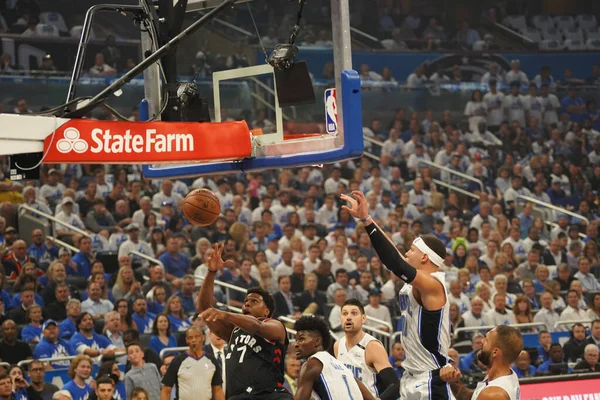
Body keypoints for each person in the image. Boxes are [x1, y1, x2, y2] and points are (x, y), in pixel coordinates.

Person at [341, 190, 451, 399]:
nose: (407, 253)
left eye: (411, 250)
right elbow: (394, 254)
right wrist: (367, 219)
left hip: (429, 377)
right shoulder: (419, 281)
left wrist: (366, 221)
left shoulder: (433, 285)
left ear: (425, 257)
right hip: (413, 375)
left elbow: (396, 262)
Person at [198, 243, 292, 399]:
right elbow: (203, 308)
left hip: (270, 395)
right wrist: (211, 272)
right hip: (239, 396)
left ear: (267, 310)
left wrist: (225, 314)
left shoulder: (275, 325)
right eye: (246, 301)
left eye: (254, 301)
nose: (247, 303)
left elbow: (256, 326)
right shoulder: (234, 331)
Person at [293, 315, 374, 400]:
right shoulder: (344, 368)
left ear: (317, 341)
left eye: (301, 339)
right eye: (296, 340)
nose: (296, 344)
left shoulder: (310, 365)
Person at [333, 299, 399, 399]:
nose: (348, 317)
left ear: (363, 318)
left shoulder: (372, 346)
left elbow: (395, 385)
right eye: (345, 314)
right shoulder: (338, 345)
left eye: (354, 313)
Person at [441, 326, 523, 400]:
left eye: (486, 339)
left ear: (495, 352)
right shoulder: (506, 374)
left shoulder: (493, 394)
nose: (482, 341)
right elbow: (474, 397)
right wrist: (454, 382)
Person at [161, 326, 224, 400]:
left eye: (197, 336)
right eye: (190, 338)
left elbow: (217, 390)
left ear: (203, 338)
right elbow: (166, 390)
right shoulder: (178, 361)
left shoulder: (212, 361)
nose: (194, 340)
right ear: (186, 340)